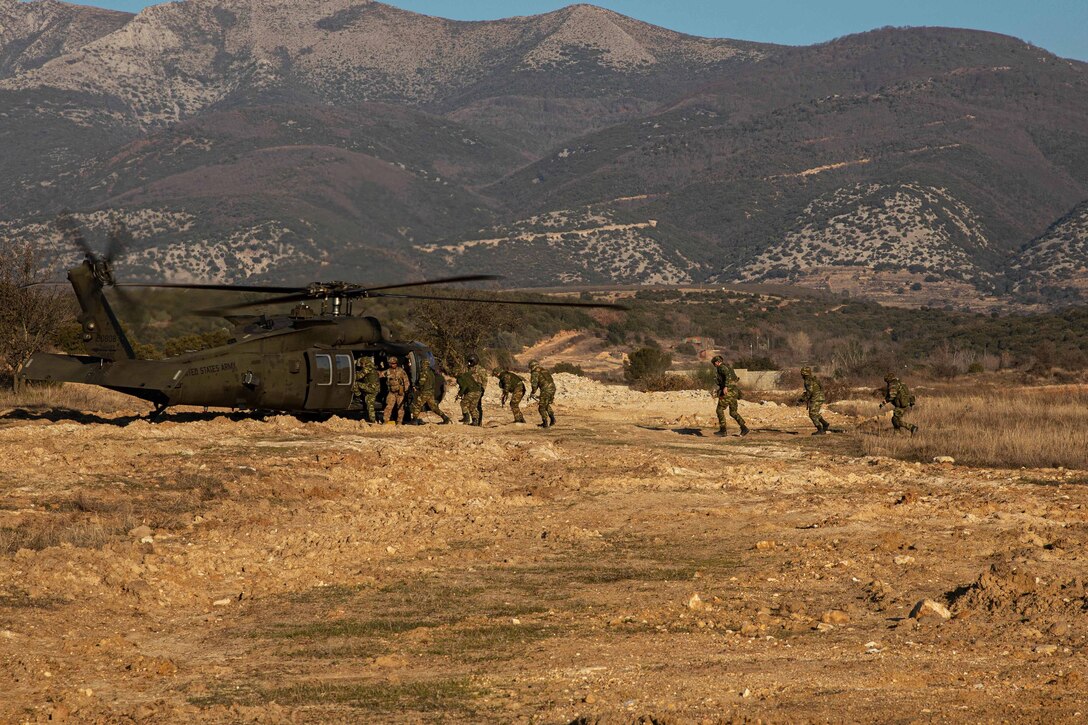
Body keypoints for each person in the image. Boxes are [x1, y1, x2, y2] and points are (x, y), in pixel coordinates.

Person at [711, 355, 749, 436]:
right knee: (733, 412)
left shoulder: (722, 367)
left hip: (728, 392)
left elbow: (727, 375)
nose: (714, 365)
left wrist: (725, 387)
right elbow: (733, 379)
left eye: (714, 363)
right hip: (734, 392)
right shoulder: (728, 367)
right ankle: (744, 428)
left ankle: (723, 430)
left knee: (719, 409)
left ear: (717, 362)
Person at [799, 366, 830, 435]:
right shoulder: (813, 379)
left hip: (816, 398)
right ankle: (825, 424)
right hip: (820, 397)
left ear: (804, 374)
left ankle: (820, 430)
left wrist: (803, 399)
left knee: (812, 414)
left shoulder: (807, 381)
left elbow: (809, 392)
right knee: (815, 413)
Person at [380, 356, 410, 424]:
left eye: (395, 363)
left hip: (400, 392)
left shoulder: (401, 371)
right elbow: (380, 374)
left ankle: (399, 422)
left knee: (400, 408)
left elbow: (406, 381)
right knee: (388, 407)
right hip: (392, 392)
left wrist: (406, 390)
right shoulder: (388, 371)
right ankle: (385, 421)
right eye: (392, 363)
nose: (394, 365)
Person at [353, 355, 381, 422]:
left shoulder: (367, 368)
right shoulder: (372, 367)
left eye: (362, 363)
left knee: (355, 384)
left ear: (365, 363)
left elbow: (358, 377)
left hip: (371, 388)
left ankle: (358, 397)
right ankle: (373, 420)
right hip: (375, 388)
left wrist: (352, 374)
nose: (361, 365)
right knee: (370, 404)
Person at [529, 360, 556, 428]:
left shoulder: (535, 372)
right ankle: (552, 419)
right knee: (546, 404)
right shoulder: (544, 370)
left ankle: (545, 423)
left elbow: (534, 385)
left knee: (541, 407)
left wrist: (532, 393)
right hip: (553, 388)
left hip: (546, 390)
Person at [468, 354, 488, 424]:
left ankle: (478, 422)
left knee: (477, 406)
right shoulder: (469, 369)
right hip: (470, 390)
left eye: (470, 361)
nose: (469, 363)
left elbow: (485, 380)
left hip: (478, 390)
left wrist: (483, 389)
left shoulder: (481, 370)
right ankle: (474, 421)